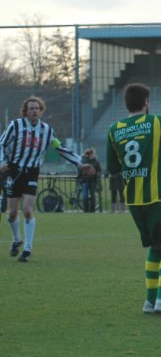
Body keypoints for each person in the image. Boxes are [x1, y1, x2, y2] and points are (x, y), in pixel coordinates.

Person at [106, 83, 161, 316]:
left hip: (135, 200)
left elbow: (112, 168)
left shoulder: (114, 129)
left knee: (154, 246)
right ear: (146, 102)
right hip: (160, 195)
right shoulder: (157, 121)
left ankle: (149, 302)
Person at [0, 96, 94, 262]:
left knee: (28, 209)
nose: (35, 111)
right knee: (12, 213)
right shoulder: (15, 126)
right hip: (13, 171)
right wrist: (2, 162)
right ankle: (17, 239)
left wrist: (79, 164)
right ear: (25, 111)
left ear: (41, 110)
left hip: (32, 172)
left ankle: (27, 250)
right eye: (31, 108)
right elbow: (1, 144)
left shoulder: (47, 130)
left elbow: (60, 148)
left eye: (37, 108)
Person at [79, 148, 102, 212]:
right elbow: (80, 170)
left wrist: (96, 174)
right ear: (88, 155)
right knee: (85, 196)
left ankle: (92, 210)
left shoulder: (96, 162)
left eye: (94, 154)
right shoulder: (84, 162)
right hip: (85, 181)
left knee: (93, 196)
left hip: (93, 181)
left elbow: (99, 170)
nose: (94, 155)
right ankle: (86, 210)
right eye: (92, 154)